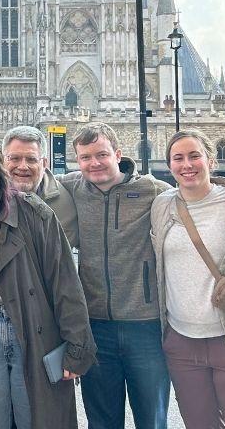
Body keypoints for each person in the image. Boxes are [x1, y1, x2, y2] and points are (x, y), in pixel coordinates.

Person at [0, 137, 94, 429]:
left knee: (37, 417)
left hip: (31, 325)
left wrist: (78, 346)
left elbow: (64, 280)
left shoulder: (32, 212)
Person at [150, 129, 225, 429]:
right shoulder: (162, 205)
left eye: (194, 156)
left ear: (210, 159)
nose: (187, 164)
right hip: (181, 341)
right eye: (177, 158)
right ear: (169, 165)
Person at [57, 121, 172, 429]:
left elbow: (195, 196)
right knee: (102, 422)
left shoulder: (152, 190)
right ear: (77, 160)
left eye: (101, 154)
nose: (93, 163)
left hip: (144, 326)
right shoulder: (70, 187)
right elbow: (25, 188)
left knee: (152, 420)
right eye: (85, 157)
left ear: (118, 154)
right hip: (95, 328)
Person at [1, 124, 78, 242]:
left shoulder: (64, 204)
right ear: (3, 161)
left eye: (31, 159)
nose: (22, 167)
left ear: (44, 163)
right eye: (14, 158)